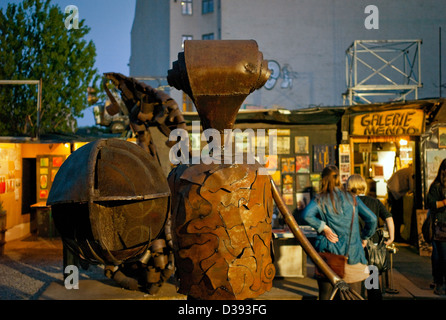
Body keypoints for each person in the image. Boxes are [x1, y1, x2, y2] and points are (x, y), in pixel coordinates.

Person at [302, 165, 377, 300]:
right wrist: (364, 237)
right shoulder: (352, 198)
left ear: (323, 180)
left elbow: (306, 215)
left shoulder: (320, 199)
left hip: (329, 258)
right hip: (353, 256)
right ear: (339, 179)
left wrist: (323, 227)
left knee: (326, 295)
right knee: (354, 296)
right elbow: (372, 219)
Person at [347, 174, 395, 300]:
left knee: (356, 285)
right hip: (372, 248)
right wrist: (391, 237)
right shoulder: (375, 202)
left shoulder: (348, 203)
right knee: (372, 284)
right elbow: (388, 217)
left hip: (355, 247)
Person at [425, 158, 446, 295]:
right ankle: (439, 283)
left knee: (441, 256)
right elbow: (431, 204)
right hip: (441, 227)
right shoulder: (436, 186)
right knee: (441, 256)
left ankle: (439, 282)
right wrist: (444, 202)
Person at [387, 163, 414, 242]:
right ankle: (396, 236)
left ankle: (395, 235)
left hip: (394, 189)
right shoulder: (411, 171)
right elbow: (412, 186)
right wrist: (412, 191)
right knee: (397, 214)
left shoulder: (408, 170)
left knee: (396, 214)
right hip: (395, 191)